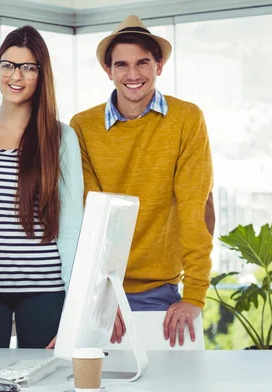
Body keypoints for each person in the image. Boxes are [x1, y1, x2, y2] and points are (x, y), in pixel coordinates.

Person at [70, 15, 215, 347]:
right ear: (108, 70)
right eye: (121, 65)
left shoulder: (187, 119)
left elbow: (195, 208)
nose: (132, 74)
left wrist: (194, 294)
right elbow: (89, 216)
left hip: (162, 293)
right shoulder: (82, 127)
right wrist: (99, 295)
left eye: (142, 63)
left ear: (159, 65)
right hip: (103, 291)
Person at [0, 26, 84, 349]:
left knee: (45, 386)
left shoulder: (61, 138)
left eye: (28, 67)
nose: (16, 75)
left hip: (44, 288)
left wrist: (76, 308)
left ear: (41, 74)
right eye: (8, 65)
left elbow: (72, 225)